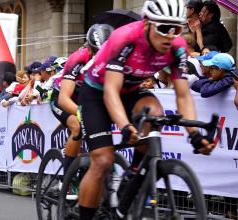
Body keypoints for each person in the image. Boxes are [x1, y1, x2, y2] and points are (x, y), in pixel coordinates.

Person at [77, 1, 216, 219]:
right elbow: (110, 91)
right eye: (163, 28)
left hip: (131, 90)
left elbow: (183, 94)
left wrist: (195, 135)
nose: (170, 35)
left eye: (176, 28)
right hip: (97, 91)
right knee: (103, 160)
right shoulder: (125, 38)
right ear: (147, 24)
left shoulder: (177, 46)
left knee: (154, 114)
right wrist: (124, 126)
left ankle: (131, 176)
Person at [50, 23, 113, 200]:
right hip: (62, 98)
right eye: (98, 53)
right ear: (90, 49)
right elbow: (64, 99)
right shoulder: (78, 58)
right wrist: (83, 113)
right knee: (76, 126)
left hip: (87, 98)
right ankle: (66, 180)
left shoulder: (112, 59)